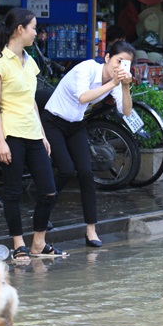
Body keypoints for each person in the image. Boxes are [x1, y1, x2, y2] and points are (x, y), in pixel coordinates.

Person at [0, 7, 66, 261]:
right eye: (33, 28)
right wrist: (0, 140)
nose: (36, 33)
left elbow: (31, 101)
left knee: (48, 191)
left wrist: (42, 134)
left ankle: (39, 243)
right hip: (10, 134)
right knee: (13, 192)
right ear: (20, 29)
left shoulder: (29, 61)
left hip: (33, 133)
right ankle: (19, 244)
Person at [41, 40, 135, 248]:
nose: (120, 68)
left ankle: (91, 229)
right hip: (53, 121)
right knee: (66, 170)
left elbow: (126, 111)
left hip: (76, 124)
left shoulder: (116, 81)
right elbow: (84, 97)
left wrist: (125, 86)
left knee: (86, 172)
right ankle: (42, 213)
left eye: (126, 65)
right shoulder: (86, 68)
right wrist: (113, 83)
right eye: (118, 61)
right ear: (108, 58)